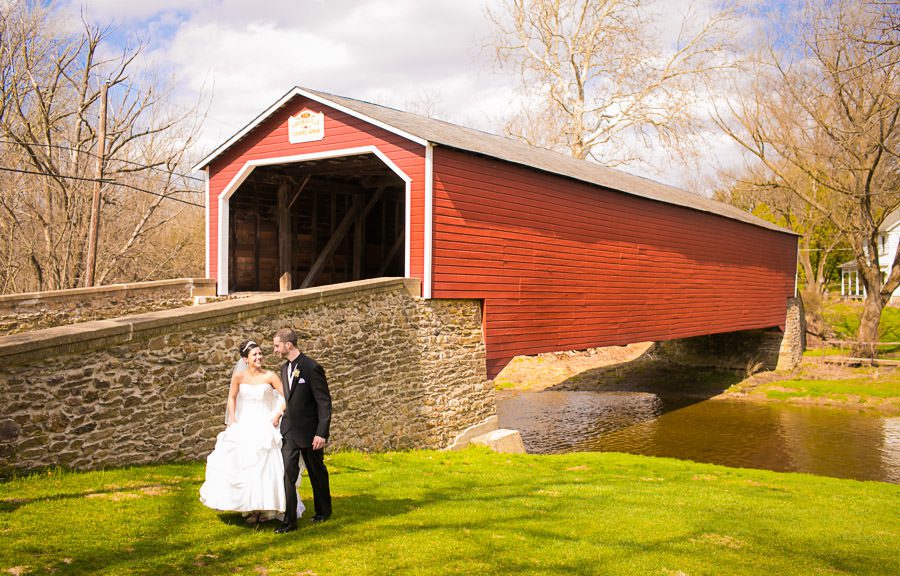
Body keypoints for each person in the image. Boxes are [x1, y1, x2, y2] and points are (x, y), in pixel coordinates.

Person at [200, 340, 302, 523]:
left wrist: (278, 414)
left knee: (264, 467)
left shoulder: (270, 376)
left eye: (260, 353)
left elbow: (288, 396)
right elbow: (232, 398)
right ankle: (250, 508)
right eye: (254, 354)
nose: (259, 357)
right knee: (246, 465)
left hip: (265, 424)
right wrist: (232, 418)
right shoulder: (239, 377)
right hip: (245, 423)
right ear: (245, 359)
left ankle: (265, 508)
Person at [273, 327, 333, 533]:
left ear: (288, 345)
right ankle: (290, 521)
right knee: (288, 473)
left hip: (310, 432)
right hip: (289, 431)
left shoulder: (312, 367)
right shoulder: (283, 369)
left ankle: (323, 511)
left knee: (316, 471)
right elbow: (288, 400)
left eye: (276, 345)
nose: (275, 350)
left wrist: (321, 432)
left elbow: (324, 403)